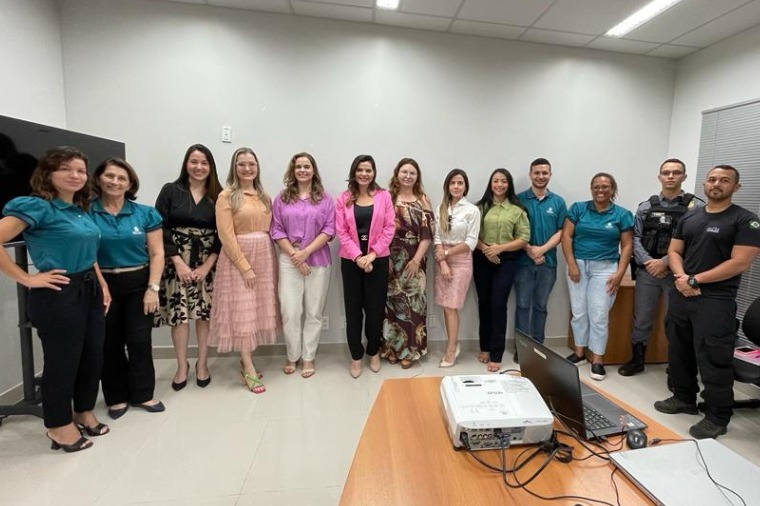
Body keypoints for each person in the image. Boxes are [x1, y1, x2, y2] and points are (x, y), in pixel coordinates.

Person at [0, 146, 110, 452]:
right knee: (63, 361)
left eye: (81, 170)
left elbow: (89, 253)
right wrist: (27, 278)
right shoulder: (37, 206)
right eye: (66, 168)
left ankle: (83, 411)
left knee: (92, 355)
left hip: (89, 288)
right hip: (58, 292)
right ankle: (59, 426)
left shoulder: (80, 209)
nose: (75, 175)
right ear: (48, 173)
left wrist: (102, 284)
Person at [654, 165, 760, 439]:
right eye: (712, 179)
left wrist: (695, 280)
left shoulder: (745, 220)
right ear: (704, 184)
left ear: (735, 186)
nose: (716, 184)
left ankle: (717, 415)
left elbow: (740, 263)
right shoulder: (691, 216)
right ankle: (683, 398)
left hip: (715, 300)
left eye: (724, 180)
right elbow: (674, 250)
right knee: (679, 350)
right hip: (682, 293)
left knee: (713, 358)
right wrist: (682, 278)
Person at [89, 157, 166, 419]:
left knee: (139, 340)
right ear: (99, 179)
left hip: (138, 282)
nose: (115, 181)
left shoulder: (145, 213)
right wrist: (101, 284)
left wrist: (153, 288)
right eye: (110, 176)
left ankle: (143, 394)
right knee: (108, 343)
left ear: (130, 183)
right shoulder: (86, 213)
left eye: (122, 178)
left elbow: (157, 253)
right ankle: (116, 397)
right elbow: (87, 254)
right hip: (102, 283)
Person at [619, 158, 703, 377]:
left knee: (677, 321)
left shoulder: (696, 208)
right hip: (648, 272)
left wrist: (665, 262)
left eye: (676, 172)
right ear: (660, 177)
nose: (671, 176)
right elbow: (636, 238)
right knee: (642, 317)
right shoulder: (646, 207)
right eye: (666, 172)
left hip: (678, 274)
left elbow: (695, 242)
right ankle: (637, 359)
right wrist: (650, 262)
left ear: (684, 176)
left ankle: (677, 366)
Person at [208, 147, 279, 393]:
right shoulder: (227, 196)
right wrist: (244, 266)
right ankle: (248, 366)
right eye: (242, 164)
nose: (247, 168)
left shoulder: (263, 196)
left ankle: (245, 360)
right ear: (234, 167)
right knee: (242, 311)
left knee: (257, 309)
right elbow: (225, 235)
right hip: (238, 259)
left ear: (257, 167)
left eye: (251, 164)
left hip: (264, 256)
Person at [154, 144, 222, 391]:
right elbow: (160, 227)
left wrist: (207, 265)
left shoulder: (219, 194)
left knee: (204, 315)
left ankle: (202, 363)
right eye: (194, 161)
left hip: (208, 260)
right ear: (186, 164)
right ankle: (181, 365)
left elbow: (224, 232)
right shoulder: (171, 190)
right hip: (175, 259)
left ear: (210, 167)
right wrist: (178, 262)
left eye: (204, 162)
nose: (198, 167)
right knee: (179, 314)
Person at [562, 172, 633, 381]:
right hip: (578, 265)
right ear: (591, 189)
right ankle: (579, 353)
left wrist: (620, 273)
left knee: (599, 314)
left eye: (605, 187)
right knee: (579, 312)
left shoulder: (622, 214)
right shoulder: (578, 208)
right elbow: (566, 236)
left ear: (612, 190)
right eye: (596, 187)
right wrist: (571, 264)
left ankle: (598, 360)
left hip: (605, 268)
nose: (600, 190)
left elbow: (627, 246)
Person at [270, 152, 334, 378]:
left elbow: (329, 229)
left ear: (313, 170)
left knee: (314, 312)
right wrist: (295, 256)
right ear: (293, 170)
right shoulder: (282, 198)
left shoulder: (325, 198)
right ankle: (292, 354)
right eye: (298, 166)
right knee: (290, 311)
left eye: (307, 166)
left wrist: (306, 252)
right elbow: (276, 230)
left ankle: (308, 357)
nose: (303, 170)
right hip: (289, 260)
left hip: (318, 259)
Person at [336, 154, 395, 379]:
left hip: (378, 260)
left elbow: (389, 227)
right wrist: (358, 257)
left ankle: (373, 351)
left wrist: (372, 254)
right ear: (354, 172)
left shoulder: (384, 196)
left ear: (374, 173)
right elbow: (341, 231)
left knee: (375, 310)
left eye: (368, 170)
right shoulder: (344, 198)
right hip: (351, 261)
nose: (364, 174)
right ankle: (356, 356)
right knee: (353, 311)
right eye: (360, 170)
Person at [473, 169, 530, 373]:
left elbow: (524, 238)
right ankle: (485, 348)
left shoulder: (517, 209)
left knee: (498, 305)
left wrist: (500, 249)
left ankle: (496, 354)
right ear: (490, 184)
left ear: (509, 184)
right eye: (495, 181)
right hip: (481, 257)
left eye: (503, 181)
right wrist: (486, 250)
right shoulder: (480, 208)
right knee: (484, 304)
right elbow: (471, 235)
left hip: (506, 260)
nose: (499, 184)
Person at [381, 158, 434, 369]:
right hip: (389, 258)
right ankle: (392, 349)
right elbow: (379, 229)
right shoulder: (387, 198)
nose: (408, 176)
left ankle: (410, 352)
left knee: (413, 306)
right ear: (397, 174)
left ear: (417, 177)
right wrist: (383, 256)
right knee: (391, 304)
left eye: (412, 173)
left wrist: (415, 260)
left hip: (415, 258)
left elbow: (428, 234)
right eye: (404, 172)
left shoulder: (423, 200)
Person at [514, 158, 567, 358]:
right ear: (530, 175)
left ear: (550, 175)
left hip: (548, 264)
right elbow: (513, 230)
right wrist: (530, 250)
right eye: (537, 173)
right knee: (522, 305)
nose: (540, 176)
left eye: (544, 173)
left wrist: (542, 250)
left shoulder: (558, 202)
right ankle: (522, 348)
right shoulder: (518, 200)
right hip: (522, 263)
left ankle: (537, 345)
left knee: (541, 306)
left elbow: (562, 232)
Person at [434, 169, 480, 368]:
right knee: (446, 306)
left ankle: (452, 349)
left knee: (451, 306)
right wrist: (443, 261)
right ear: (447, 186)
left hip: (461, 261)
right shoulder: (441, 208)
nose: (456, 186)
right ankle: (453, 344)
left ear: (465, 187)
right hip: (442, 260)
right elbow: (437, 237)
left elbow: (471, 242)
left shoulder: (472, 210)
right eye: (452, 183)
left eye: (460, 183)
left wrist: (447, 254)